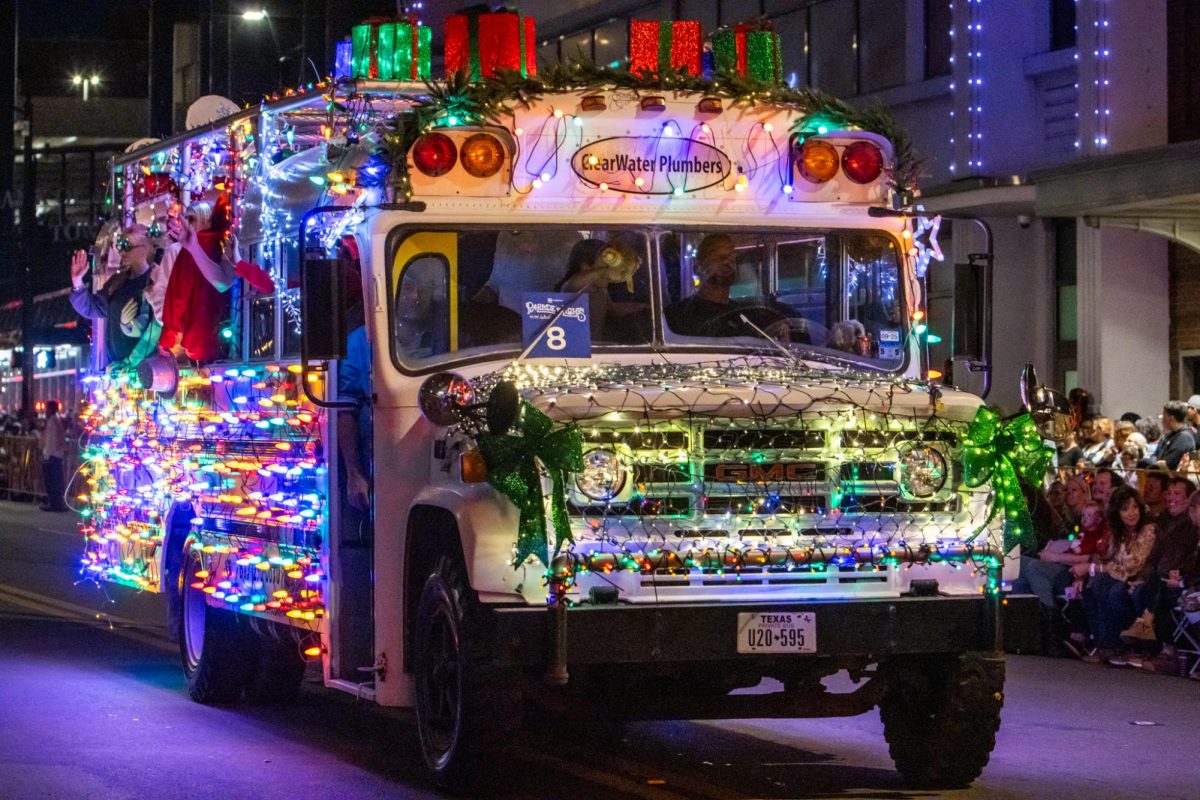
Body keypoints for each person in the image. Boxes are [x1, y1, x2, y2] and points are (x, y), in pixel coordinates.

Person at [1076, 486, 1157, 662]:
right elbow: (1111, 560)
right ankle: (1106, 645)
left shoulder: (1148, 530)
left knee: (1111, 589)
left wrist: (1095, 569)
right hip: (1122, 577)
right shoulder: (1120, 532)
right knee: (1092, 586)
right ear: (1117, 512)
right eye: (1125, 509)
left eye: (1135, 507)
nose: (1131, 513)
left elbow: (1132, 566)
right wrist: (1087, 573)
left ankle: (1119, 645)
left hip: (1141, 579)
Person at [1122, 477, 1198, 650]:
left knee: (1155, 590)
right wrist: (1142, 578)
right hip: (1162, 578)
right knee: (1135, 589)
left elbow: (1182, 560)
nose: (1171, 498)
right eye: (1169, 493)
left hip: (1182, 583)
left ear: (1189, 500)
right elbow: (1153, 557)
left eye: (1177, 493)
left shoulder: (1190, 527)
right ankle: (1143, 640)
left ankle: (1157, 645)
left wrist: (1178, 576)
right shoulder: (1162, 522)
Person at [69, 226, 155, 364]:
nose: (121, 251)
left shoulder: (155, 280)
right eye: (120, 245)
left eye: (127, 246)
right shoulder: (118, 282)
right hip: (118, 367)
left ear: (144, 249)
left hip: (146, 367)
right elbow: (93, 307)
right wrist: (77, 281)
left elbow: (156, 327)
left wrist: (129, 324)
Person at [38, 400, 68, 513]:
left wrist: (46, 456)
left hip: (52, 456)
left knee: (51, 482)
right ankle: (57, 503)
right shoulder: (58, 420)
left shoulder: (52, 422)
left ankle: (53, 503)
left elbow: (50, 441)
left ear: (50, 409)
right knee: (57, 481)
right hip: (58, 455)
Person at [1154, 401, 1195, 471]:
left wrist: (1156, 464)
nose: (1162, 418)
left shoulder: (1184, 438)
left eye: (1164, 415)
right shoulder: (1168, 435)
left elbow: (1168, 462)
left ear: (1171, 418)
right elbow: (1155, 455)